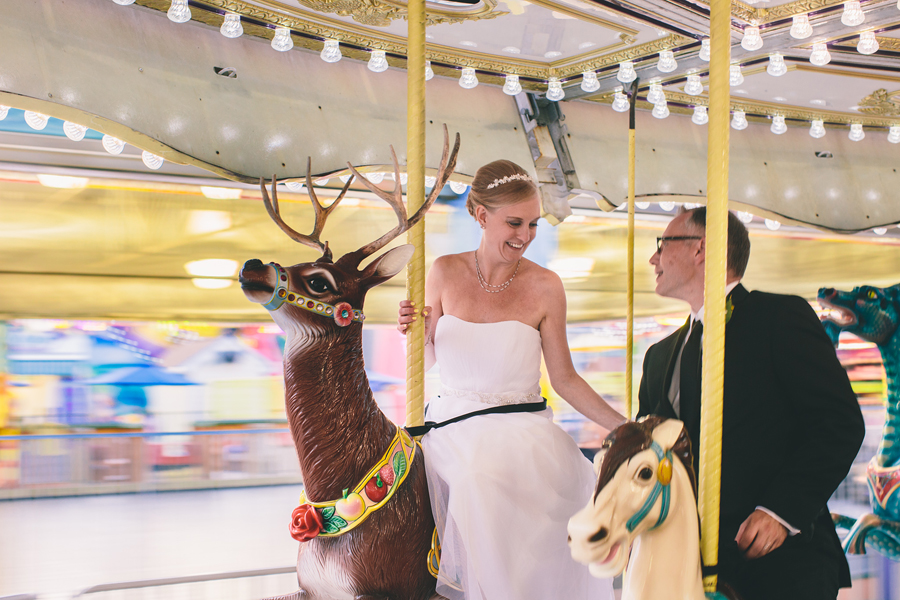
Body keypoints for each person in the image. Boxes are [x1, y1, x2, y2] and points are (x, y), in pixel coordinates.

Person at [397, 159, 623, 600]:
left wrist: (623, 424)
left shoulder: (546, 286)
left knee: (530, 483)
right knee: (471, 478)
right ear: (481, 216)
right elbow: (425, 362)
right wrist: (411, 333)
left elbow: (564, 378)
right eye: (514, 223)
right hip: (453, 425)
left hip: (522, 427)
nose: (525, 236)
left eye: (534, 225)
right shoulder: (443, 271)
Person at [637, 207, 865, 600]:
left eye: (663, 245)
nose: (654, 258)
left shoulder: (778, 317)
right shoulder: (660, 355)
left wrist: (781, 511)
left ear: (701, 249)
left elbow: (839, 422)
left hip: (778, 563)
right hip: (692, 565)